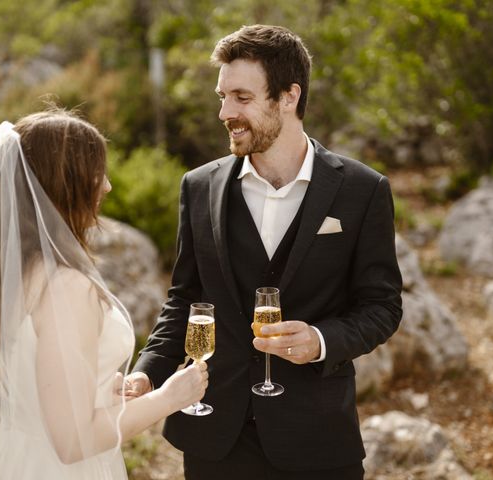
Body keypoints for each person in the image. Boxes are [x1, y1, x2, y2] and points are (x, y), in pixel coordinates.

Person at [125, 25, 403, 479]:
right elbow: (185, 299)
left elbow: (382, 306)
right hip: (216, 438)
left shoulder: (362, 190)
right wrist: (148, 373)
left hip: (317, 438)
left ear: (289, 97)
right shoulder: (199, 187)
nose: (224, 112)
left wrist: (320, 341)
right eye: (222, 96)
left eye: (241, 97)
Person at [0, 109, 208, 480]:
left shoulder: (17, 271)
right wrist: (168, 398)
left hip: (15, 456)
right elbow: (72, 440)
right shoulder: (66, 287)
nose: (107, 187)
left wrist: (101, 386)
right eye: (98, 172)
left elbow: (37, 384)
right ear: (67, 181)